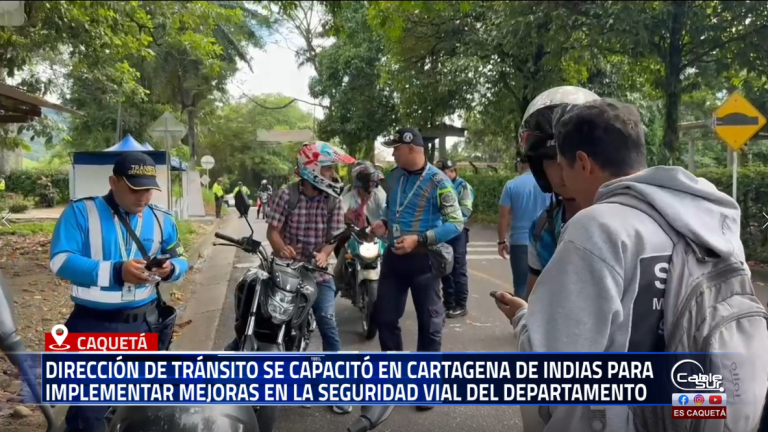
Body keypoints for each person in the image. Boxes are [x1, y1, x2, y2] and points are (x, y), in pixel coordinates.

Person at [495, 98, 768, 431]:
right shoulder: (710, 220)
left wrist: (524, 319)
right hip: (706, 413)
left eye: (563, 169)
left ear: (583, 163)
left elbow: (553, 371)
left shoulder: (596, 227)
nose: (562, 181)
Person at [49, 152, 189, 432]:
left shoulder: (161, 219)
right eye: (135, 189)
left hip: (144, 325)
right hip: (92, 327)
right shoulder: (80, 213)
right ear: (114, 182)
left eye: (149, 189)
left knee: (142, 408)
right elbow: (60, 261)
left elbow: (181, 258)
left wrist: (171, 268)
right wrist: (116, 271)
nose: (144, 197)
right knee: (89, 415)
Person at [371, 128, 463, 412]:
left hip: (423, 261)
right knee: (384, 318)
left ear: (411, 148)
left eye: (396, 148)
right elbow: (390, 210)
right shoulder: (395, 176)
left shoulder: (438, 181)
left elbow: (456, 223)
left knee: (429, 324)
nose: (393, 153)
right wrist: (384, 225)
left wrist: (420, 239)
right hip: (394, 259)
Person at [266, 141, 355, 415]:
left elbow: (336, 236)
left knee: (327, 323)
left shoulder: (333, 199)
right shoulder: (286, 195)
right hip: (287, 270)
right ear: (313, 169)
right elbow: (273, 231)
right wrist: (281, 248)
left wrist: (325, 253)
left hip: (319, 274)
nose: (332, 174)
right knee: (283, 324)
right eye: (328, 169)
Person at [517, 86, 599, 299]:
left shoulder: (627, 221)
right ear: (539, 167)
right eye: (552, 159)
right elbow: (534, 299)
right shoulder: (542, 228)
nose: (563, 168)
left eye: (572, 156)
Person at [497, 156, 550, 297]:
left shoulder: (511, 185)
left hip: (519, 242)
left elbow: (503, 216)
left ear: (520, 165)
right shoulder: (548, 183)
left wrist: (502, 241)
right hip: (545, 240)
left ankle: (522, 316)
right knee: (545, 286)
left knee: (521, 286)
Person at [333, 162, 386, 293]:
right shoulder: (349, 195)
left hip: (377, 235)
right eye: (369, 181)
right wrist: (341, 220)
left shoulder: (379, 195)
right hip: (355, 235)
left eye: (373, 181)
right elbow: (339, 211)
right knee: (338, 268)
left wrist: (384, 225)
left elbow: (387, 210)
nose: (372, 185)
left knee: (392, 264)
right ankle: (330, 300)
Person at [434, 159, 474, 318]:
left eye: (444, 172)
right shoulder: (437, 186)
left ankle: (460, 304)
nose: (441, 175)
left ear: (453, 171)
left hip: (457, 232)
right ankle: (448, 303)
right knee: (444, 267)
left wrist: (450, 222)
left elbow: (465, 210)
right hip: (442, 231)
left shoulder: (462, 186)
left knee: (458, 268)